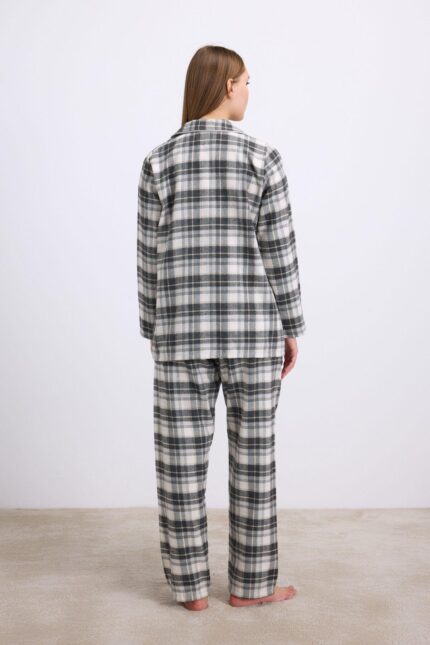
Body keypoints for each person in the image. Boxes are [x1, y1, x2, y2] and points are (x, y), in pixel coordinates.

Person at [137, 45, 306, 611]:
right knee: (255, 461)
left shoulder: (159, 161)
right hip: (252, 332)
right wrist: (291, 325)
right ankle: (251, 586)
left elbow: (148, 256)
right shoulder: (262, 157)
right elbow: (280, 252)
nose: (249, 92)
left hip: (180, 334)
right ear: (229, 85)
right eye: (247, 82)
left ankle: (189, 591)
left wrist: (153, 327)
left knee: (179, 465)